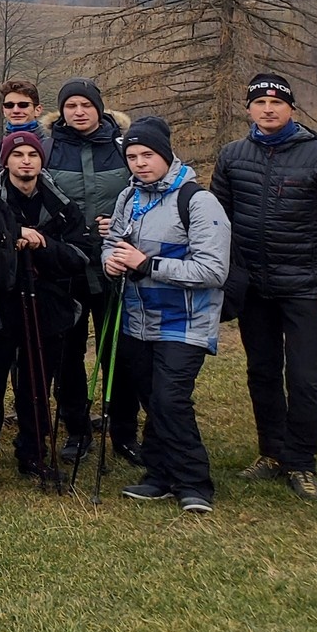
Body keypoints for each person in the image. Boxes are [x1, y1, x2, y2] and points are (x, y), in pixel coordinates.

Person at [211, 72, 317, 501]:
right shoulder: (232, 156)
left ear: (291, 108)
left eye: (277, 102)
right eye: (260, 102)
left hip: (307, 286)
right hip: (254, 288)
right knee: (262, 371)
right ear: (249, 109)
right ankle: (272, 452)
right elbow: (217, 223)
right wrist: (225, 278)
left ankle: (301, 461)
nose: (268, 109)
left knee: (305, 378)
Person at [105, 117, 231, 513]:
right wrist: (110, 261)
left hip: (186, 321)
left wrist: (147, 265)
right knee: (152, 400)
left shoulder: (197, 201)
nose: (140, 163)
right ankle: (158, 475)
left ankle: (194, 482)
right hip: (137, 319)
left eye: (148, 155)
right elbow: (113, 243)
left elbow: (214, 270)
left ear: (166, 154)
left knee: (170, 399)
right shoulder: (128, 197)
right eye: (132, 157)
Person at [0, 130, 95, 488]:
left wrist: (42, 243)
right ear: (5, 161)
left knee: (36, 384)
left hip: (46, 305)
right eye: (17, 155)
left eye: (32, 155)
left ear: (41, 161)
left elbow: (79, 255)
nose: (25, 161)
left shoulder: (61, 204)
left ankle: (33, 453)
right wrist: (12, 237)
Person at [43, 78, 132, 466]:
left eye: (86, 105)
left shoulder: (123, 148)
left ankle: (124, 430)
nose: (78, 112)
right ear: (61, 111)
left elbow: (144, 196)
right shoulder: (47, 148)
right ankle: (77, 429)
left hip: (116, 265)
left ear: (99, 108)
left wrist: (122, 226)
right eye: (71, 106)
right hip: (67, 267)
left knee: (120, 351)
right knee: (68, 352)